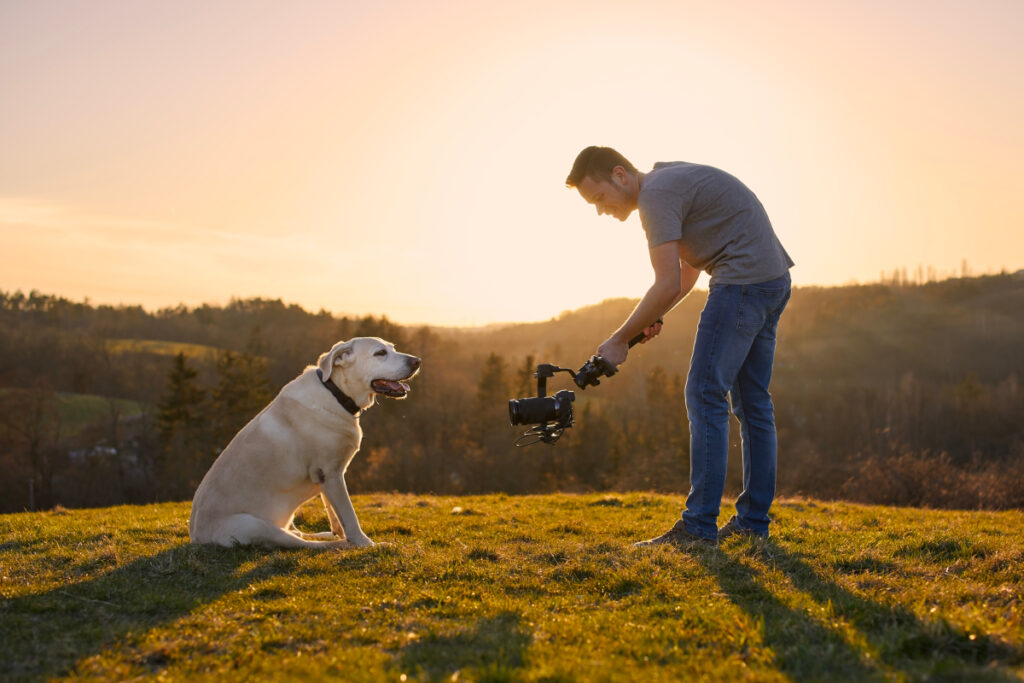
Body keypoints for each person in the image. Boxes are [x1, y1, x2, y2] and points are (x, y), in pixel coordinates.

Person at [565, 146, 794, 548]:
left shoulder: (655, 196)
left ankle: (698, 528)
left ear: (620, 175)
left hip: (741, 283)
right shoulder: (667, 181)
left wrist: (618, 340)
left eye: (599, 198)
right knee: (753, 403)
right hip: (771, 281)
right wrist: (654, 317)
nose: (601, 211)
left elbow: (667, 281)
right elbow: (686, 275)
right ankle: (753, 523)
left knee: (705, 394)